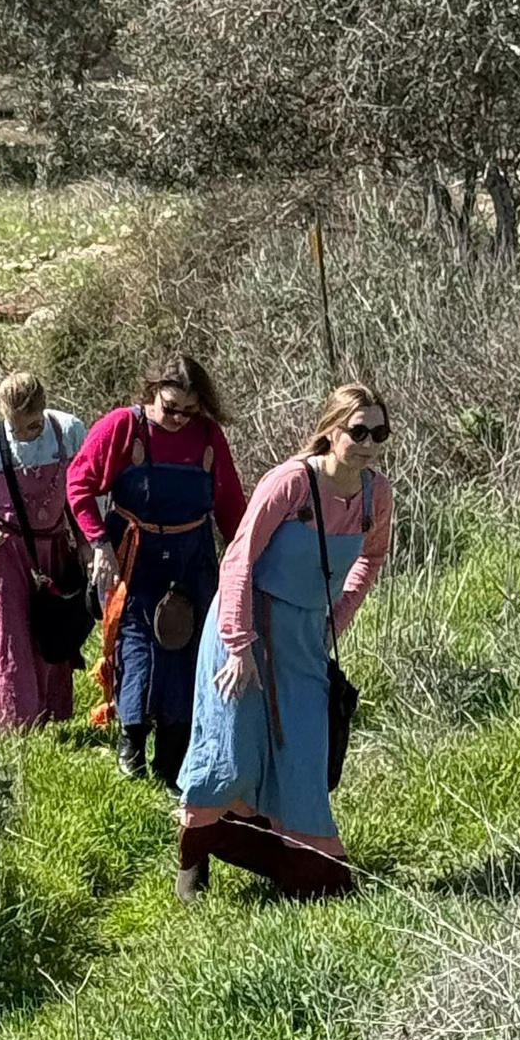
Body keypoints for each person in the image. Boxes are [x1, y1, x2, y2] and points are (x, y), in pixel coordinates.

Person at [177, 383, 393, 901]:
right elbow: (238, 560)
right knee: (233, 749)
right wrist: (238, 642)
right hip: (244, 626)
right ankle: (195, 855)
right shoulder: (290, 483)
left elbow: (371, 559)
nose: (367, 443)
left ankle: (306, 875)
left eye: (378, 433)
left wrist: (333, 621)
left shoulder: (375, 494)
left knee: (302, 754)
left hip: (303, 639)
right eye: (357, 431)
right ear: (331, 430)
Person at [65, 353, 247, 792]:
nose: (179, 419)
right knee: (136, 647)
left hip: (192, 556)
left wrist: (245, 562)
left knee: (185, 652)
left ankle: (172, 759)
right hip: (136, 554)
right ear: (151, 394)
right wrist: (99, 545)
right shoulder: (122, 429)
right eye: (170, 408)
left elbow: (230, 507)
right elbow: (78, 484)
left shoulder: (208, 438)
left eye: (189, 410)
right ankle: (131, 748)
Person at [0, 369, 91, 729]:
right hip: (4, 555)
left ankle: (48, 714)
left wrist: (88, 542)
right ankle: (9, 723)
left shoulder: (69, 433)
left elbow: (83, 492)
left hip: (53, 550)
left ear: (43, 411)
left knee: (48, 630)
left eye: (29, 425)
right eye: (13, 426)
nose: (20, 434)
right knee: (7, 638)